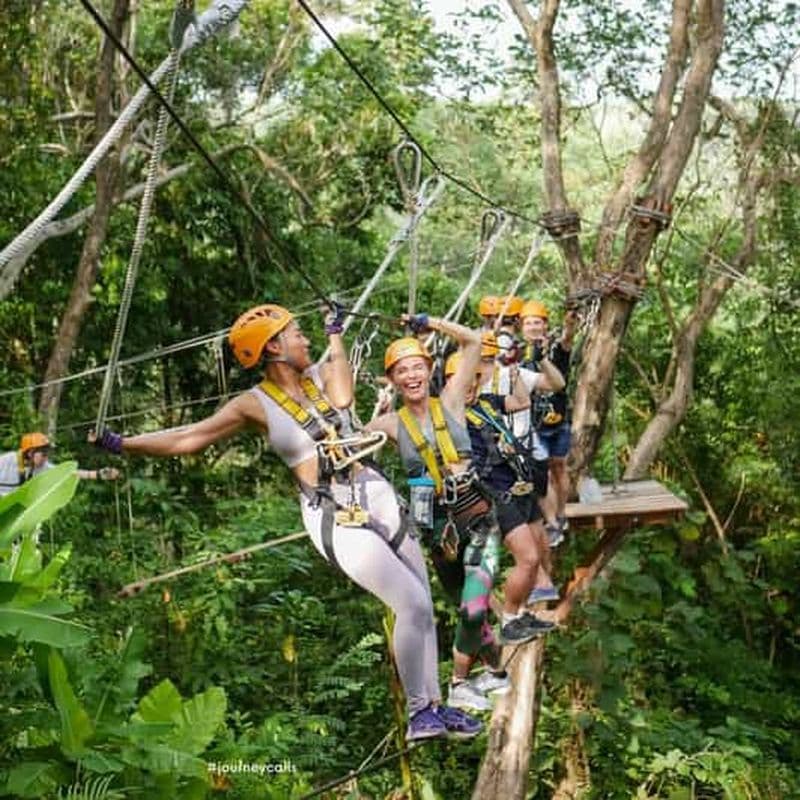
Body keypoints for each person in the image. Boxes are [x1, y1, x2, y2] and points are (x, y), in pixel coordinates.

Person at [92, 303, 481, 742]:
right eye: (298, 334)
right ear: (274, 346)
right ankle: (418, 714)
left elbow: (344, 399)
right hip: (334, 513)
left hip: (375, 492)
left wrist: (336, 333)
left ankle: (433, 705)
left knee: (424, 607)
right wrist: (124, 443)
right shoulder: (252, 405)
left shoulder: (318, 374)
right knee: (409, 603)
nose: (306, 339)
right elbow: (188, 438)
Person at [368, 315, 537, 714]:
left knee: (474, 607)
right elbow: (351, 445)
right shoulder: (390, 423)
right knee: (476, 623)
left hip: (479, 520)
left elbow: (474, 342)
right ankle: (493, 668)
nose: (411, 375)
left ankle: (459, 683)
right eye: (401, 371)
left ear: (429, 371)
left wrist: (431, 324)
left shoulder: (452, 402)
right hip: (438, 534)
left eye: (417, 367)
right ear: (392, 380)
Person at [443, 350, 555, 650]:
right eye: (460, 382)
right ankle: (508, 619)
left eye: (471, 382)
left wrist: (514, 370)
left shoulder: (487, 403)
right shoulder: (451, 413)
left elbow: (522, 402)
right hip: (491, 495)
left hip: (516, 484)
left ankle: (519, 613)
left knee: (534, 559)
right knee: (528, 559)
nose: (466, 388)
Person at [475, 333, 565, 605]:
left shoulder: (513, 374)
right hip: (497, 467)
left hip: (521, 457)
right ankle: (529, 589)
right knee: (520, 533)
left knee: (534, 525)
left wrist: (542, 360)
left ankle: (541, 581)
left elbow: (556, 384)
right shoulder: (469, 385)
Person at [519, 301, 578, 544]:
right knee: (542, 471)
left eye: (537, 322)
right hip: (534, 424)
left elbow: (567, 339)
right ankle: (552, 521)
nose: (533, 327)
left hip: (559, 418)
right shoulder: (516, 353)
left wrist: (570, 325)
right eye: (528, 323)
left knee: (559, 467)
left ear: (545, 325)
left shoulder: (555, 347)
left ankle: (561, 513)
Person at [0, 432, 119, 497]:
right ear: (31, 453)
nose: (45, 458)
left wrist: (98, 474)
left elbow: (67, 474)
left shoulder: (41, 467)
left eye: (47, 455)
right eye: (43, 454)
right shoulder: (7, 460)